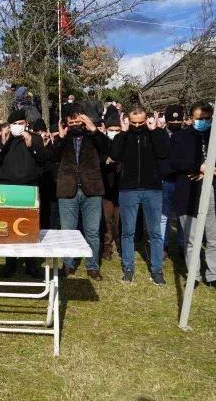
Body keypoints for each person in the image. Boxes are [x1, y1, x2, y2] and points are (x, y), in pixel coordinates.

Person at [171, 102, 216, 292]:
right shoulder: (180, 137)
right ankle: (194, 274)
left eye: (207, 118)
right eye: (199, 119)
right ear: (191, 119)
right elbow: (174, 161)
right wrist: (197, 167)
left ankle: (213, 275)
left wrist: (209, 167)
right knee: (192, 239)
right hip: (190, 191)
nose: (204, 122)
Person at [110, 107, 170, 285]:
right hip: (128, 189)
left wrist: (156, 131)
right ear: (128, 120)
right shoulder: (124, 136)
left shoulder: (154, 134)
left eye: (140, 122)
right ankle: (128, 268)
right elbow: (115, 155)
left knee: (155, 232)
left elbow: (163, 153)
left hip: (152, 189)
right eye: (133, 122)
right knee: (127, 232)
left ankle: (157, 270)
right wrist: (122, 132)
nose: (137, 126)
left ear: (147, 120)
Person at [53, 108, 109, 280]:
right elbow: (52, 156)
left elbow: (108, 149)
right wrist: (61, 138)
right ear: (66, 125)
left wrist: (94, 129)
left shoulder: (93, 137)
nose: (76, 126)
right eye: (72, 123)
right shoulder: (62, 139)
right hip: (68, 189)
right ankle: (68, 264)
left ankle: (92, 266)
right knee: (68, 230)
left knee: (92, 231)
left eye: (79, 123)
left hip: (91, 189)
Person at [0, 110, 46, 278]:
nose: (18, 127)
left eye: (21, 123)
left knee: (28, 226)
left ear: (26, 124)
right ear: (9, 126)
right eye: (14, 124)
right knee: (8, 226)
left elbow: (44, 159)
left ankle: (31, 263)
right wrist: (3, 141)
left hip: (29, 187)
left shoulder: (35, 138)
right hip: (7, 188)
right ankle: (10, 263)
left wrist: (32, 146)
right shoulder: (2, 140)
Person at [161, 104, 186, 258]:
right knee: (164, 216)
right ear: (167, 120)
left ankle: (183, 245)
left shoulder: (187, 135)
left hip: (183, 180)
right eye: (172, 121)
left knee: (183, 215)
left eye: (179, 121)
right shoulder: (161, 135)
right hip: (166, 181)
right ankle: (163, 245)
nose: (176, 123)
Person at [101, 112, 122, 261]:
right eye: (111, 129)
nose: (114, 132)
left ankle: (121, 245)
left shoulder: (124, 143)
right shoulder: (103, 144)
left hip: (121, 187)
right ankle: (107, 247)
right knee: (107, 219)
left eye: (117, 129)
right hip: (105, 188)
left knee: (121, 220)